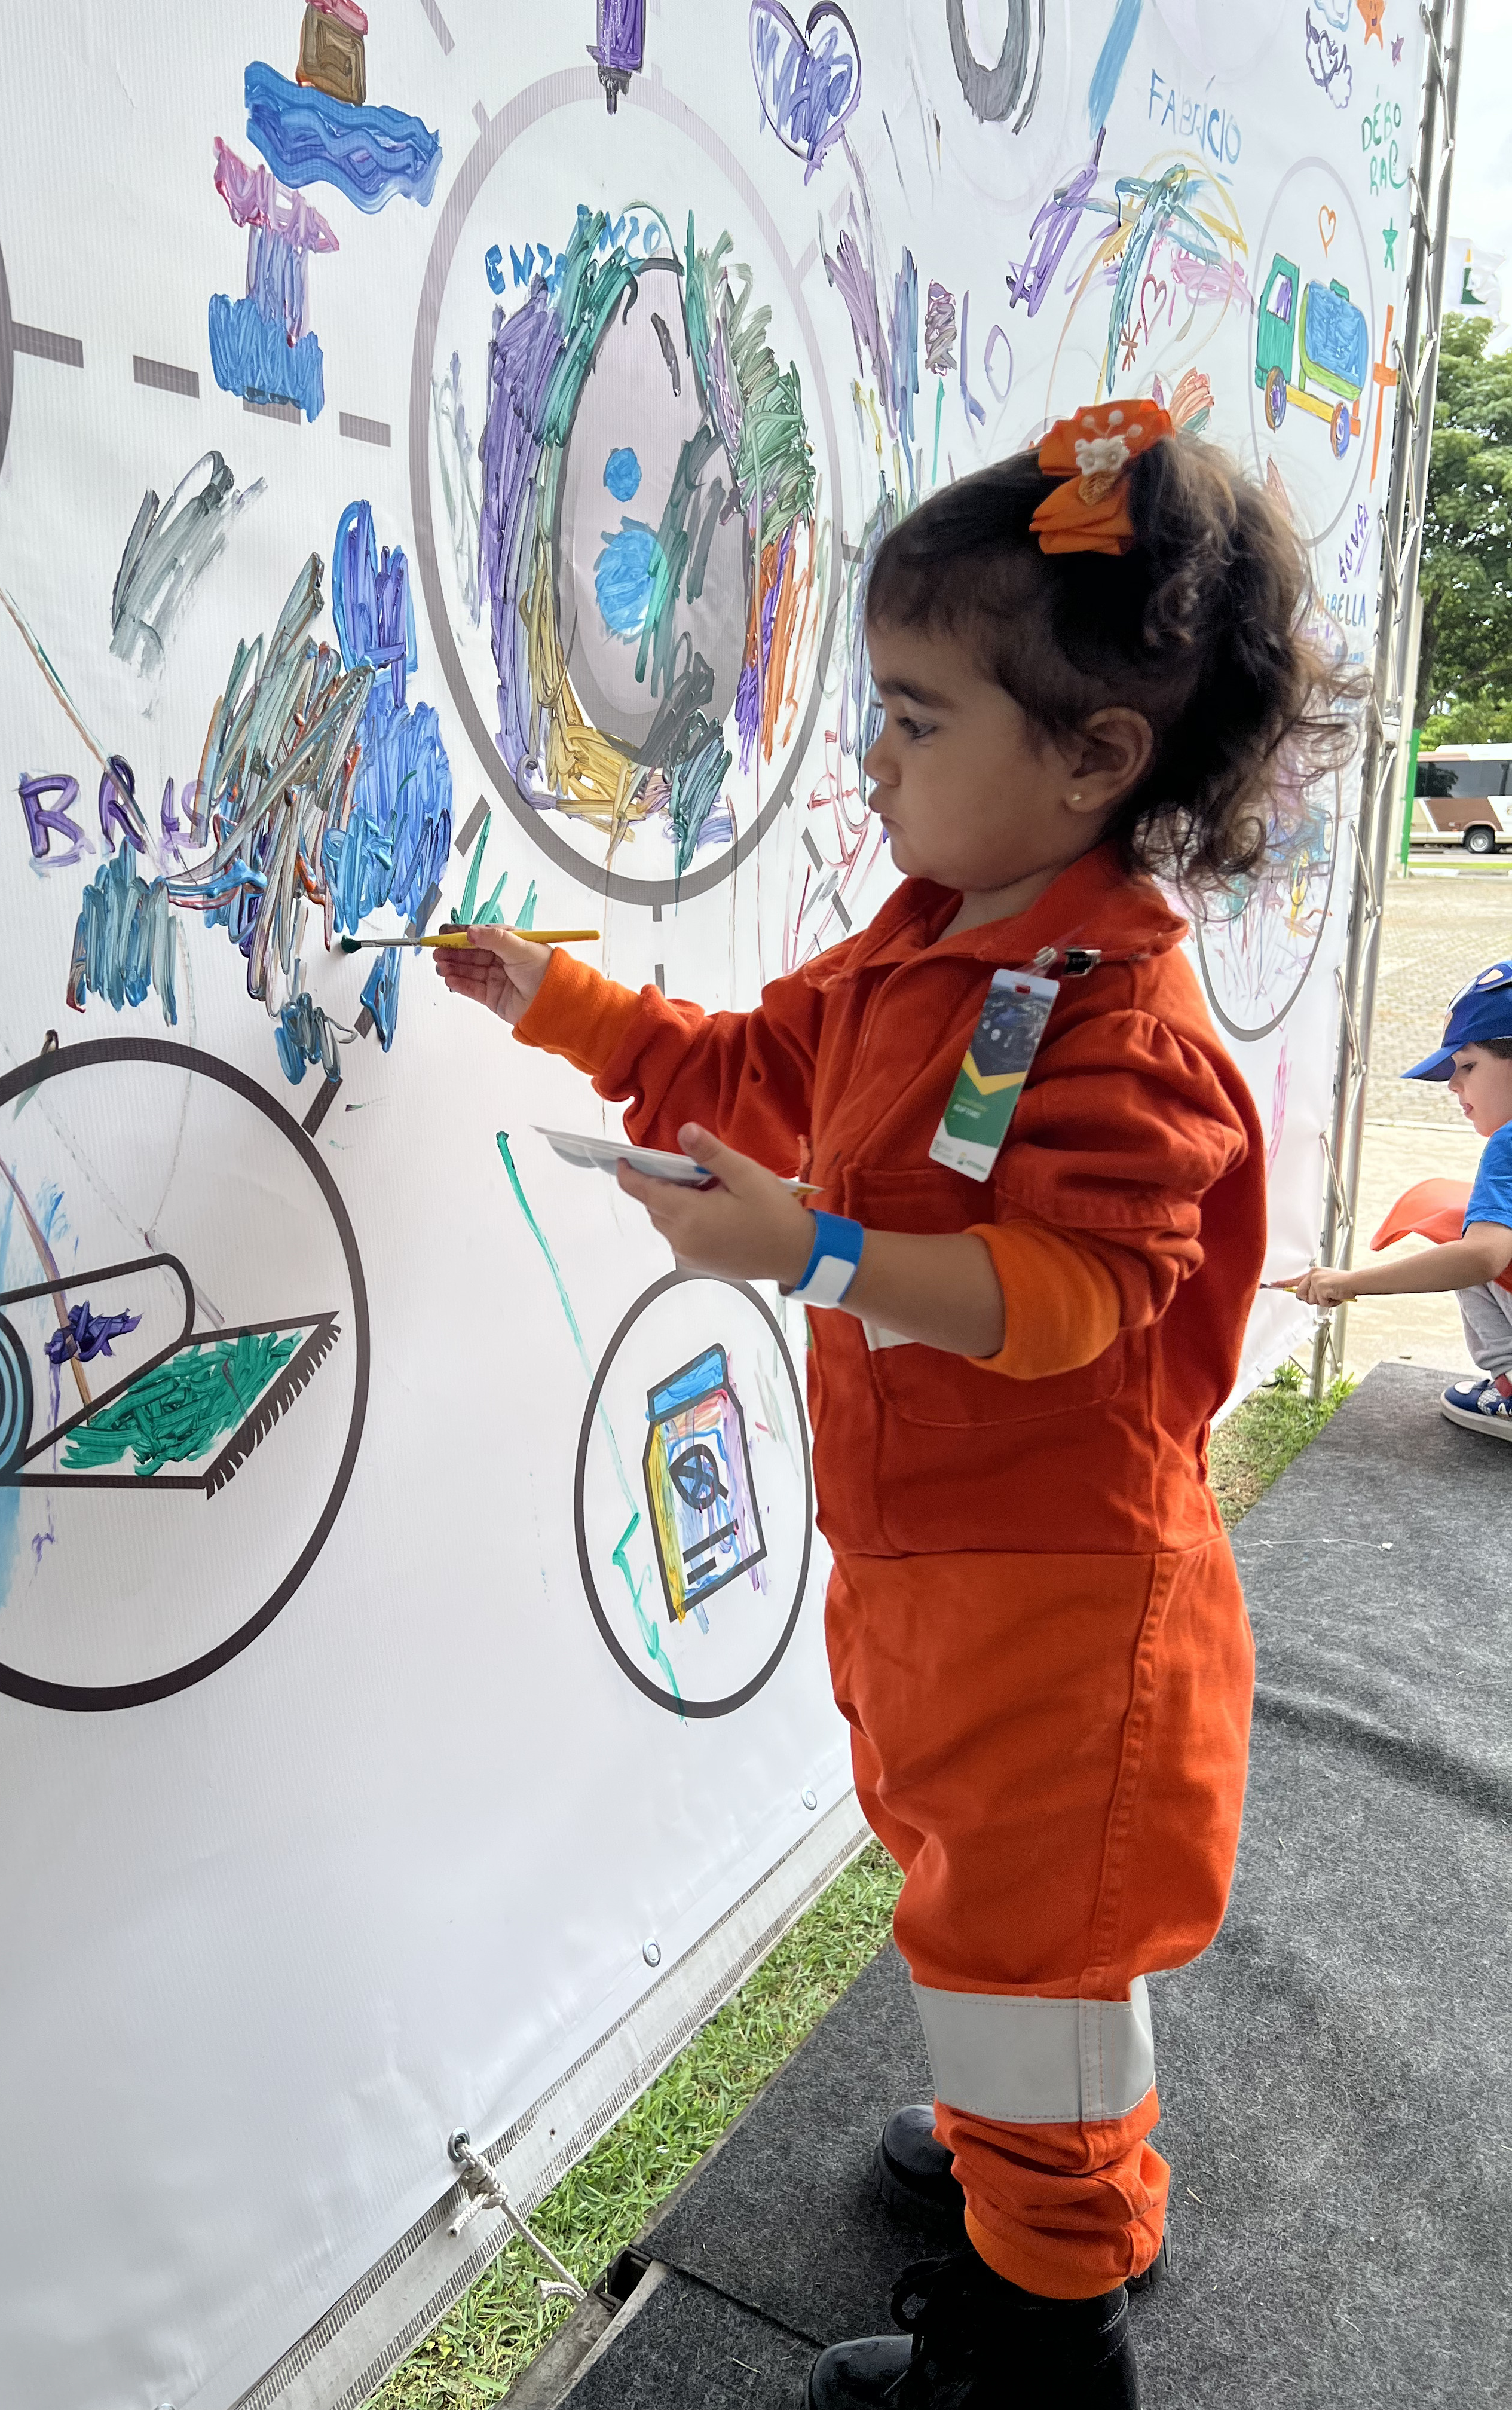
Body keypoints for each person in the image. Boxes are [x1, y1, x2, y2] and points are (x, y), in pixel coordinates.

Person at [439, 400, 1358, 2408]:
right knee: (988, 1918)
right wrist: (564, 1005)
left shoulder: (1123, 1018)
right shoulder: (932, 949)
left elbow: (1082, 1299)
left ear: (1097, 760)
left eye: (917, 718)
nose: (869, 759)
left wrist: (817, 1257)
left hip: (1065, 1603)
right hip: (952, 1572)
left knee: (1025, 1954)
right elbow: (765, 1070)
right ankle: (1013, 2159)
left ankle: (1038, 2337)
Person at [1291, 962, 1512, 1436]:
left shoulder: (1508, 1142)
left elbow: (1484, 1258)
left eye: (1468, 1066)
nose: (1454, 1086)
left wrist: (1352, 1282)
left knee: (1459, 1229)